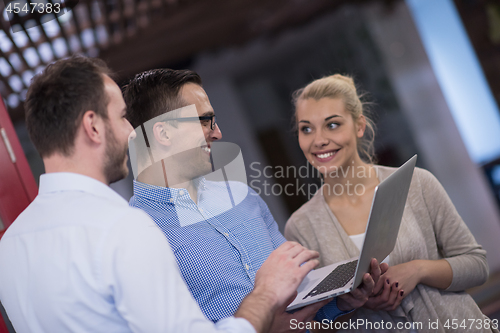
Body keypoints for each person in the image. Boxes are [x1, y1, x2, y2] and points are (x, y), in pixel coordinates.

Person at [0, 55, 325, 333]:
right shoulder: (125, 226)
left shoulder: (9, 248)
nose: (131, 133)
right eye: (123, 117)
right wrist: (265, 298)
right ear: (93, 127)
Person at [123, 69, 382, 332]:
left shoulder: (243, 197)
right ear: (164, 134)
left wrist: (341, 303)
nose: (217, 133)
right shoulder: (136, 236)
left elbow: (301, 302)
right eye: (205, 121)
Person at [284, 74, 498, 332]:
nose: (318, 140)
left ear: (359, 126)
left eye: (332, 125)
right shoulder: (300, 226)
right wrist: (348, 304)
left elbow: (477, 265)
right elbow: (309, 324)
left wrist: (418, 270)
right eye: (306, 128)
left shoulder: (417, 183)